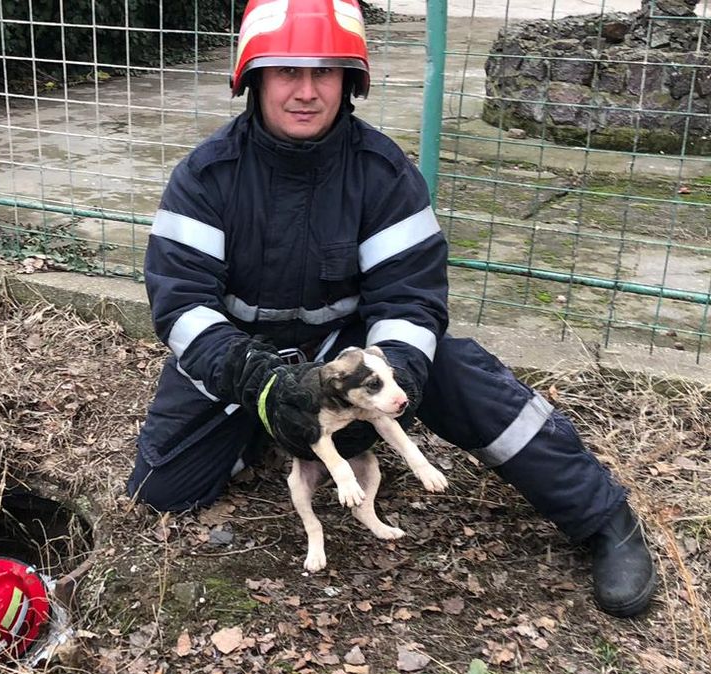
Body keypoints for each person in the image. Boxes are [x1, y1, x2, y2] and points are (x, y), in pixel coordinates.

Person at [125, 0, 656, 618]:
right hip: (243, 360)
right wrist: (259, 382)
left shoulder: (383, 174)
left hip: (349, 354)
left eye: (324, 73)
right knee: (161, 490)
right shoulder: (206, 176)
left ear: (350, 81)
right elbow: (182, 300)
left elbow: (410, 297)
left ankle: (603, 518)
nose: (306, 91)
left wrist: (386, 378)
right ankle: (284, 435)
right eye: (287, 72)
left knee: (459, 373)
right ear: (254, 77)